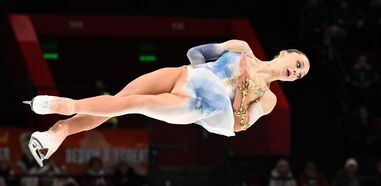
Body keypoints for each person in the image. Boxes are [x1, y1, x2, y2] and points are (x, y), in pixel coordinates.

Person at [24, 40, 310, 166]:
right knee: (119, 100)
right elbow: (195, 53)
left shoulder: (269, 98)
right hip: (184, 75)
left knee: (133, 103)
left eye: (300, 74)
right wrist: (205, 71)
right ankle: (56, 132)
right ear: (283, 53)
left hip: (197, 103)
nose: (295, 71)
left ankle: (67, 105)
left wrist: (241, 92)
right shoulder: (241, 48)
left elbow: (237, 124)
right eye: (297, 63)